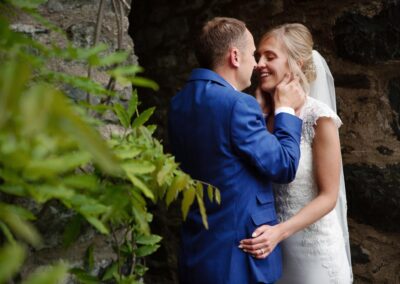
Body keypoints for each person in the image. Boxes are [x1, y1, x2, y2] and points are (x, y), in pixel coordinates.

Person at [168, 17, 306, 284]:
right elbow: (285, 165)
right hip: (238, 260)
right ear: (234, 56)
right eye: (253, 54)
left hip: (196, 251)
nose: (256, 64)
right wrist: (286, 110)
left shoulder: (178, 102)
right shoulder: (237, 105)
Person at [239, 23, 353, 283]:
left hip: (312, 253)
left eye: (270, 56)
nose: (258, 64)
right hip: (273, 249)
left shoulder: (319, 117)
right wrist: (260, 113)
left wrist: (279, 232)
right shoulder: (257, 113)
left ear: (297, 63)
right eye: (258, 56)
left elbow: (328, 196)